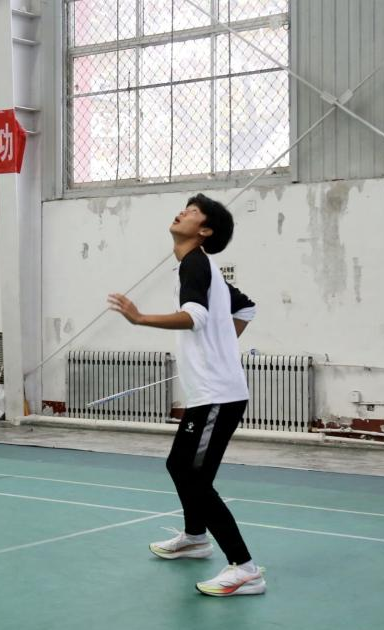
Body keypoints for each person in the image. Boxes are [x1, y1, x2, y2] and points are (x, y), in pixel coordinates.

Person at [107, 194, 265, 597]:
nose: (183, 213)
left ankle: (245, 569)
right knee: (180, 466)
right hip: (210, 393)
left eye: (193, 212)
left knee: (194, 478)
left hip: (218, 394)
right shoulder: (202, 268)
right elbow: (246, 308)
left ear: (205, 231)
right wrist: (221, 344)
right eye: (186, 208)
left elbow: (194, 317)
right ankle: (195, 537)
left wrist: (140, 318)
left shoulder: (195, 263)